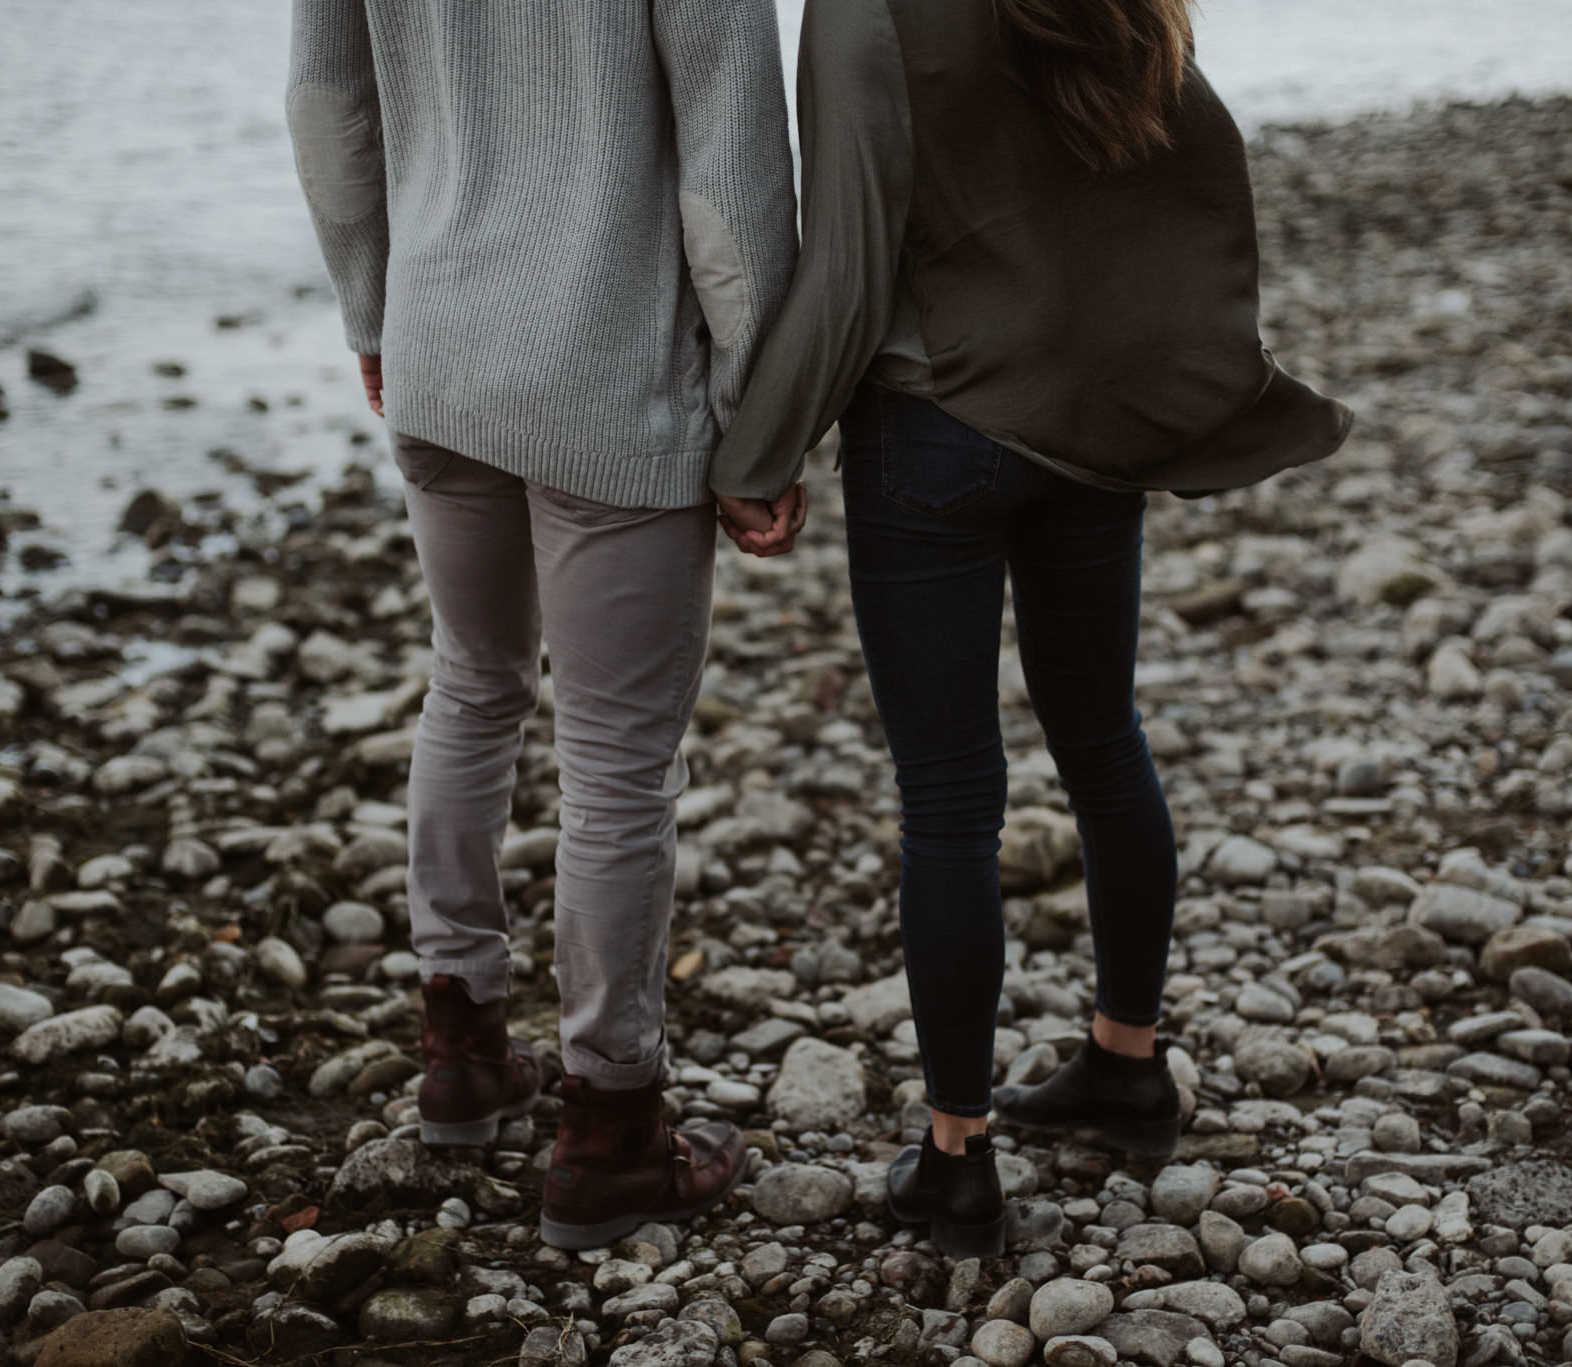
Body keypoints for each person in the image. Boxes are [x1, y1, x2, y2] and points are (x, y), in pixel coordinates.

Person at [710, 0, 1351, 1258]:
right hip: (1091, 424)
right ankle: (1126, 1064)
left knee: (950, 794)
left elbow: (845, 259)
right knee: (1101, 736)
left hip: (933, 433)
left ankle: (956, 1157)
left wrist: (759, 451)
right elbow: (1186, 177)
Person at [285, 0, 796, 1250]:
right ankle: (610, 1127)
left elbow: (327, 110)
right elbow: (730, 167)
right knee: (617, 759)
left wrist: (372, 314)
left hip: (438, 342)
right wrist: (753, 407)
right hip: (605, 375)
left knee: (470, 683)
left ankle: (461, 1051)